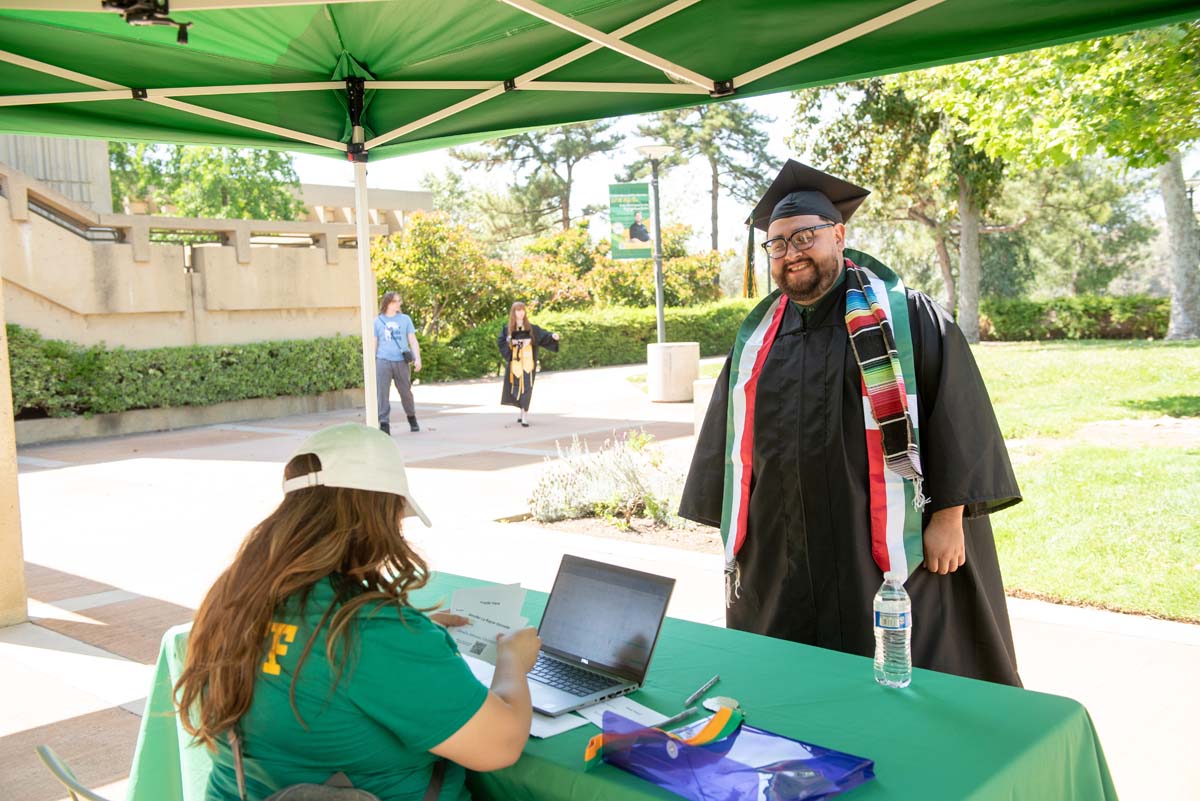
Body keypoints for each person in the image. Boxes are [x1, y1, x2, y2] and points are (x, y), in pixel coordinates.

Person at [679, 160, 1023, 686]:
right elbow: (730, 448)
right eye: (778, 244)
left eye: (805, 237)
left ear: (838, 235)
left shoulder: (904, 318)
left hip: (885, 546)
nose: (791, 253)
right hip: (786, 546)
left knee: (904, 671)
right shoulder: (757, 340)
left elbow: (957, 416)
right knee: (793, 678)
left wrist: (950, 519)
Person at [174, 423, 541, 801]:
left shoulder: (233, 601)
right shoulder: (369, 632)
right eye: (397, 516)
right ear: (375, 515)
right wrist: (512, 661)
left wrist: (406, 641)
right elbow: (502, 744)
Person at [498, 301, 559, 427]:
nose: (520, 313)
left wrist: (553, 336)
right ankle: (521, 412)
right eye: (517, 310)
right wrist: (510, 342)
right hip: (515, 363)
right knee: (516, 388)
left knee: (527, 387)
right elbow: (501, 342)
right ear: (513, 312)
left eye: (522, 310)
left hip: (528, 364)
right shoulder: (507, 329)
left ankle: (524, 415)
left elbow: (544, 335)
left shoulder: (531, 328)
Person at [374, 292, 422, 434]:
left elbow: (412, 340)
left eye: (399, 301)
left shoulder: (405, 319)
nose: (398, 304)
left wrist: (417, 358)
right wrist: (372, 362)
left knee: (405, 392)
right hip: (383, 361)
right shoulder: (377, 321)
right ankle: (384, 423)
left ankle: (411, 417)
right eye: (395, 301)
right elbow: (374, 343)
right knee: (382, 393)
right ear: (387, 303)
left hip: (401, 361)